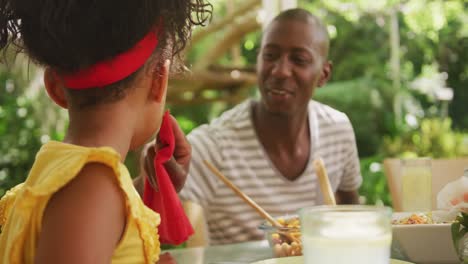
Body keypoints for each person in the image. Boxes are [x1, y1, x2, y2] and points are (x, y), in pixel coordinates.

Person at [0, 0, 210, 263]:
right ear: (159, 80)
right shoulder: (93, 189)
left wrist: (144, 186)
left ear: (55, 88)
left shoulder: (69, 177)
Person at [179, 8, 363, 245]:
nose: (280, 70)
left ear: (323, 74)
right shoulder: (211, 148)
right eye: (270, 55)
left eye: (299, 60)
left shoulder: (337, 131)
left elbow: (353, 220)